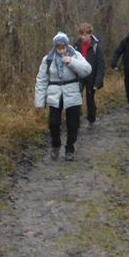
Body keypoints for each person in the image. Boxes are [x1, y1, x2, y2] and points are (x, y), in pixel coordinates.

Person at [34, 31, 92, 161]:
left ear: (67, 45)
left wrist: (71, 61)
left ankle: (70, 148)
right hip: (54, 93)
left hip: (72, 92)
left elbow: (87, 70)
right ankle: (56, 145)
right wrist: (39, 100)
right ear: (55, 46)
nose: (61, 49)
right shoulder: (48, 59)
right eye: (58, 47)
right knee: (53, 123)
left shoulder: (75, 55)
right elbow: (41, 79)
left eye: (63, 46)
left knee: (73, 124)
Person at [73, 22, 105, 127]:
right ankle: (76, 119)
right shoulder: (76, 46)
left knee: (90, 98)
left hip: (92, 77)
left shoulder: (96, 47)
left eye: (86, 34)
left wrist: (98, 82)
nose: (83, 37)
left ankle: (91, 118)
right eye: (81, 34)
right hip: (79, 76)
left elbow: (101, 66)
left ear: (90, 34)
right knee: (76, 96)